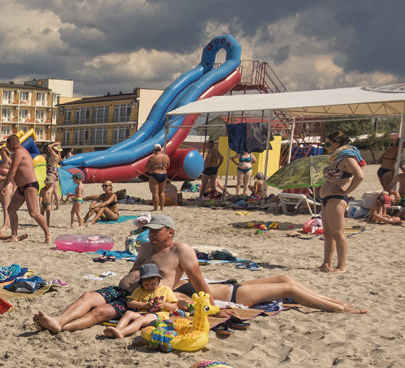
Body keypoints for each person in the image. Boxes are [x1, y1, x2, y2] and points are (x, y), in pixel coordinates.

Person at [34, 213, 365, 335]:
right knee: (285, 284)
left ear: (170, 233)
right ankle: (59, 322)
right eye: (150, 230)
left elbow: (201, 288)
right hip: (165, 292)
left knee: (287, 285)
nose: (150, 234)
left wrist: (211, 307)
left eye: (157, 231)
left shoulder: (182, 251)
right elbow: (136, 274)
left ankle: (338, 306)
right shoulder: (146, 249)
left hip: (228, 293)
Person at [318, 132, 364, 273]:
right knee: (327, 233)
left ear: (337, 143)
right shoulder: (336, 158)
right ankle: (326, 264)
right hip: (327, 199)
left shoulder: (347, 157)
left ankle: (341, 266)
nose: (325, 147)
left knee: (338, 233)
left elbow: (359, 176)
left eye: (328, 144)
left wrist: (346, 191)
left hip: (336, 199)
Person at [102, 262, 179, 339]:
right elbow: (129, 303)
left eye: (153, 284)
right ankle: (117, 330)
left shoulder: (166, 290)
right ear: (141, 283)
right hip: (143, 313)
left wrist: (164, 304)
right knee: (129, 313)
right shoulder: (140, 290)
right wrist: (145, 305)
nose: (149, 287)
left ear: (159, 280)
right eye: (146, 285)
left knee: (141, 319)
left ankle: (122, 333)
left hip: (159, 316)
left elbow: (174, 307)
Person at [3, 135, 52, 243]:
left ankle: (48, 234)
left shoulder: (19, 151)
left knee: (33, 213)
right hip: (22, 187)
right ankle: (14, 235)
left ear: (11, 143)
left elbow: (12, 171)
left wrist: (5, 185)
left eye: (7, 144)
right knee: (11, 209)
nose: (7, 147)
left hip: (30, 185)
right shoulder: (16, 152)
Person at [146, 144, 171, 212]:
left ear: (154, 150)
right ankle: (162, 208)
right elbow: (168, 166)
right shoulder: (166, 157)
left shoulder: (152, 158)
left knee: (155, 192)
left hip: (155, 174)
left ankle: (155, 208)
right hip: (164, 174)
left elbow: (147, 167)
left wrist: (153, 167)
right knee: (162, 192)